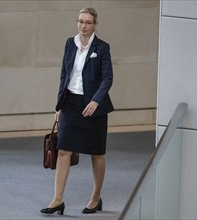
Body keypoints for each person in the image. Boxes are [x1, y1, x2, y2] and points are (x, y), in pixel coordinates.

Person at [40, 7, 114, 216]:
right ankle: (57, 199)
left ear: (95, 25)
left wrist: (96, 101)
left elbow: (108, 78)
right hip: (70, 104)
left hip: (93, 107)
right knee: (63, 150)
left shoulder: (102, 48)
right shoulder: (69, 44)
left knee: (97, 153)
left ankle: (96, 197)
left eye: (88, 22)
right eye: (80, 21)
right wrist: (59, 106)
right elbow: (64, 74)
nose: (83, 25)